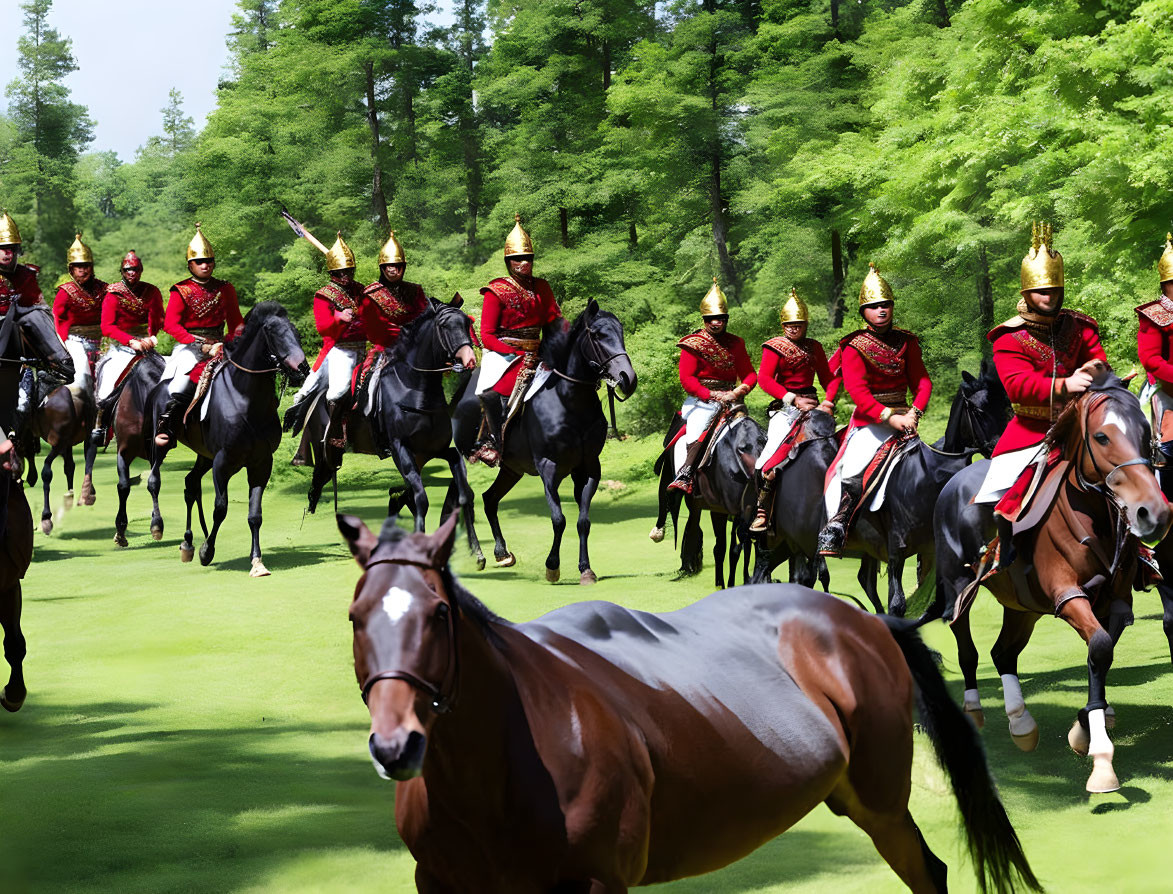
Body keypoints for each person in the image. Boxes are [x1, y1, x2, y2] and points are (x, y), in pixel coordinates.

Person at [974, 222, 1104, 508]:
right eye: (1041, 291)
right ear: (1026, 293)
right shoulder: (1007, 337)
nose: (1049, 296)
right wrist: (1065, 385)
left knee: (1128, 478)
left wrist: (1095, 370)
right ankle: (1001, 552)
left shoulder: (1080, 325)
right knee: (1001, 500)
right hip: (1031, 431)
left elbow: (1099, 361)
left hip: (1082, 424)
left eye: (1055, 290)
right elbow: (1019, 387)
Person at [817, 264, 931, 557]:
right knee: (851, 469)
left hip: (907, 418)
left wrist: (914, 414)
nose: (881, 310)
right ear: (863, 312)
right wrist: (890, 417)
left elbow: (922, 382)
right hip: (871, 422)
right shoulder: (853, 346)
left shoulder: (907, 342)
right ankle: (838, 525)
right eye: (874, 306)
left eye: (886, 305)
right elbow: (858, 392)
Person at [472, 215, 563, 466]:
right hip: (503, 353)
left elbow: (554, 322)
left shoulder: (542, 287)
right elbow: (487, 335)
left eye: (528, 258)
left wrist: (568, 339)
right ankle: (491, 442)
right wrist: (513, 353)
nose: (524, 263)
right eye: (518, 259)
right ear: (508, 261)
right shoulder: (495, 291)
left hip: (538, 351)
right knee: (489, 394)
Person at [748, 287, 837, 532]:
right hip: (785, 409)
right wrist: (792, 399)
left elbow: (829, 379)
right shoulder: (774, 347)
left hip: (814, 406)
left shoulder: (815, 347)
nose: (793, 328)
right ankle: (762, 510)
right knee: (769, 456)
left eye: (798, 324)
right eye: (789, 324)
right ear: (783, 324)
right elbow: (764, 379)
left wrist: (828, 402)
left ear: (805, 324)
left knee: (835, 448)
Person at [155, 224, 245, 447]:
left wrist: (234, 342)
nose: (205, 265)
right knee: (179, 384)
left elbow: (236, 323)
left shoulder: (225, 288)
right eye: (200, 262)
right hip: (189, 347)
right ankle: (166, 424)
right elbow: (171, 325)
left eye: (209, 261)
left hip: (222, 344)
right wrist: (201, 346)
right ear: (190, 265)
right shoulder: (180, 290)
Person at [669, 279, 757, 494]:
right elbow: (687, 379)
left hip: (733, 399)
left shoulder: (736, 343)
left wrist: (739, 390)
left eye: (720, 318)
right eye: (711, 319)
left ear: (726, 319)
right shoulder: (693, 344)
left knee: (753, 432)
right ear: (704, 319)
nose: (716, 323)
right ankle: (686, 473)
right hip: (702, 401)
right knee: (698, 429)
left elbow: (749, 374)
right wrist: (712, 394)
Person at [285, 233, 367, 449]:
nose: (347, 275)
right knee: (338, 391)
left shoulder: (361, 290)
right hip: (341, 350)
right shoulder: (324, 295)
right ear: (333, 272)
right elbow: (323, 328)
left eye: (349, 271)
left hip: (366, 348)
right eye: (342, 272)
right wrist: (339, 318)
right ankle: (335, 432)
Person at [90, 250, 164, 445]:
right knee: (107, 386)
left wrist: (152, 336)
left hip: (146, 346)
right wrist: (130, 341)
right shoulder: (113, 294)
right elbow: (107, 327)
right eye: (128, 269)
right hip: (121, 347)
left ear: (141, 270)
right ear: (122, 271)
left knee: (166, 376)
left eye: (136, 269)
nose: (132, 273)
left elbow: (158, 318)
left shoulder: (152, 291)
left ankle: (166, 426)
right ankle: (101, 426)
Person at [0, 211, 46, 442]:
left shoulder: (27, 275)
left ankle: (20, 433)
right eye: (2, 248)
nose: (7, 253)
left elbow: (39, 310)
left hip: (21, 349)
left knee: (30, 397)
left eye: (11, 248)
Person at [1137, 232, 1173, 503]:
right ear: (1165, 285)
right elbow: (1151, 360)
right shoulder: (1154, 315)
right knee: (1168, 445)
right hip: (1166, 389)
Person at [52, 233, 106, 399]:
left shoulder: (105, 288)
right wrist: (61, 350)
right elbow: (57, 321)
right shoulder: (64, 292)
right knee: (83, 377)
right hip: (74, 341)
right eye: (78, 266)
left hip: (103, 341)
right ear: (71, 270)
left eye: (86, 265)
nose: (83, 270)